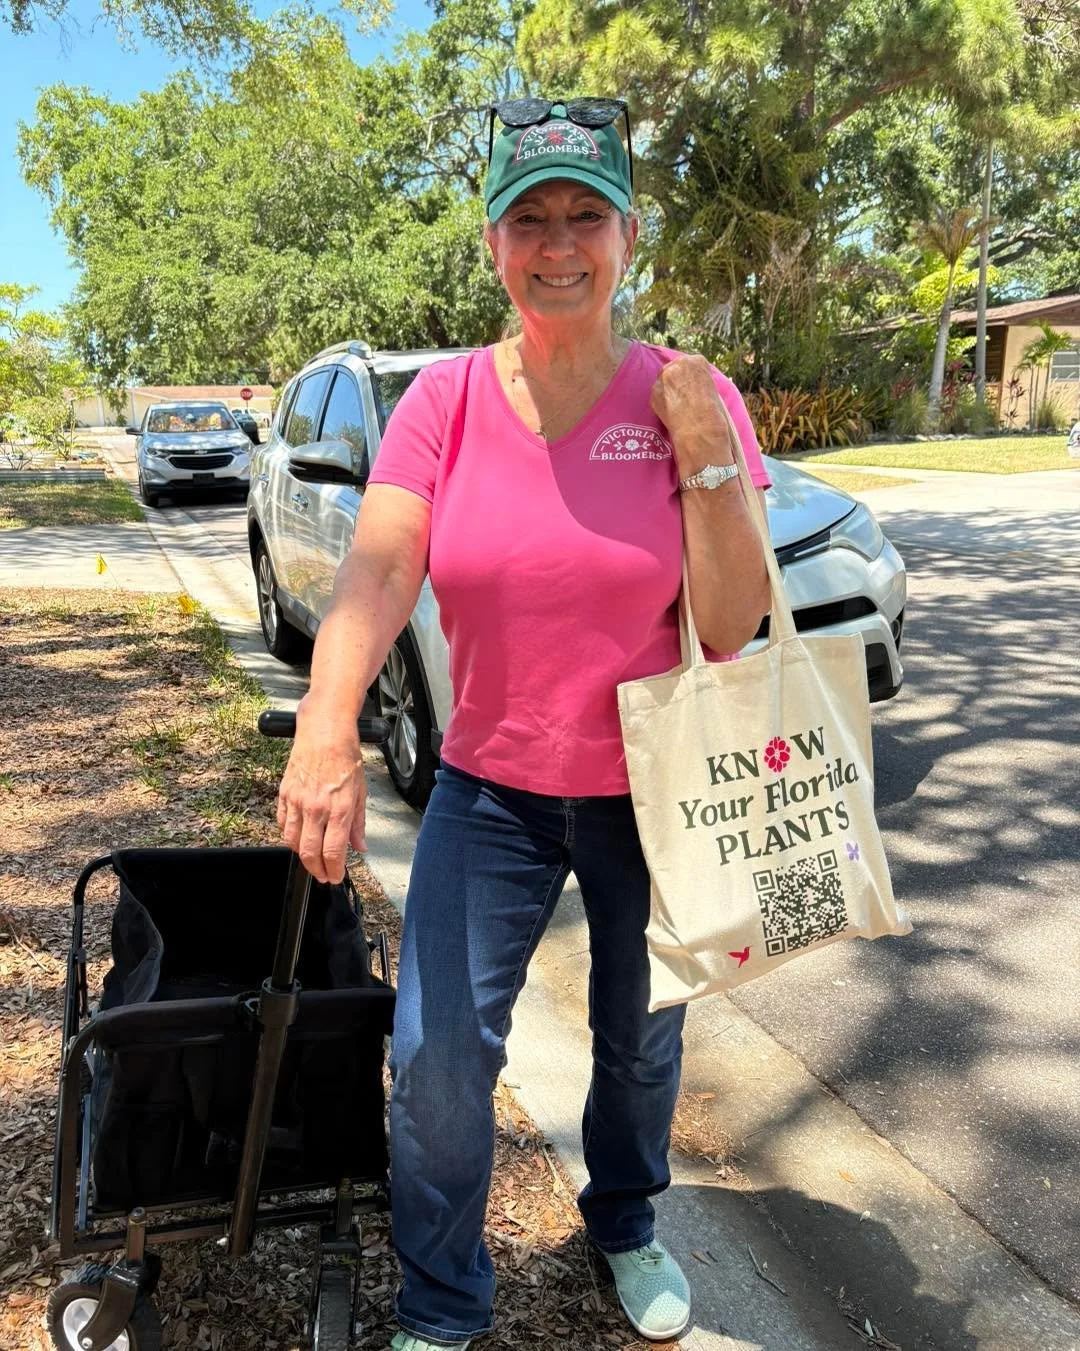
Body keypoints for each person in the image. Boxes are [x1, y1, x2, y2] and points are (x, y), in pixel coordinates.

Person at [277, 97, 772, 1350]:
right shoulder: (444, 402)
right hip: (488, 784)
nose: (561, 243)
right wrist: (326, 722)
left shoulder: (687, 396)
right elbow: (382, 570)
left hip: (654, 789)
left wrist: (707, 459)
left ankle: (625, 1223)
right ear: (494, 243)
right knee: (439, 1053)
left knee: (640, 1039)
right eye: (531, 217)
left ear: (629, 234)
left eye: (585, 214)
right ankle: (444, 1302)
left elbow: (726, 628)